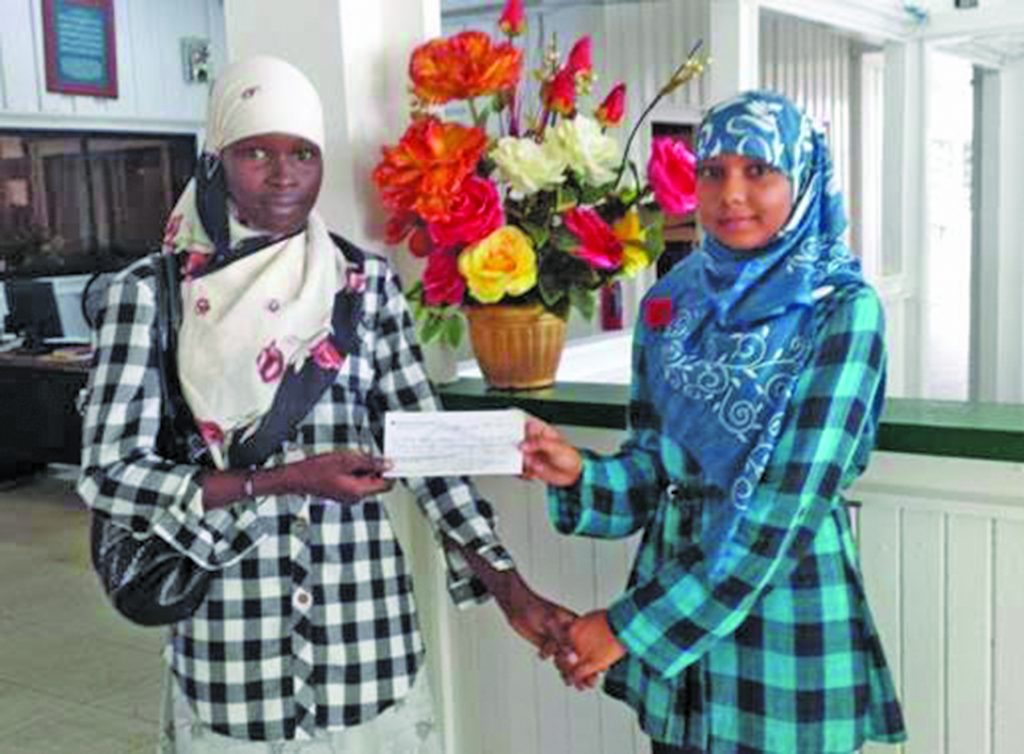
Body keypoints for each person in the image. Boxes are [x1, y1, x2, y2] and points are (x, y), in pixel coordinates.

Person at [77, 55, 573, 752]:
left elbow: (423, 452)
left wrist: (510, 589)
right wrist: (280, 480)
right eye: (256, 152)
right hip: (233, 652)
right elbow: (108, 473)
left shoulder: (360, 285)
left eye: (302, 154)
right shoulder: (150, 296)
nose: (283, 174)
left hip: (367, 645)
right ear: (217, 162)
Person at [520, 90, 908, 753]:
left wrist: (625, 629)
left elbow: (781, 511)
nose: (731, 194)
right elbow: (654, 470)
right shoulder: (671, 306)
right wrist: (580, 472)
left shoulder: (840, 310)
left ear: (802, 178)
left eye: (758, 170)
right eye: (712, 170)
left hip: (783, 640)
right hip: (684, 668)